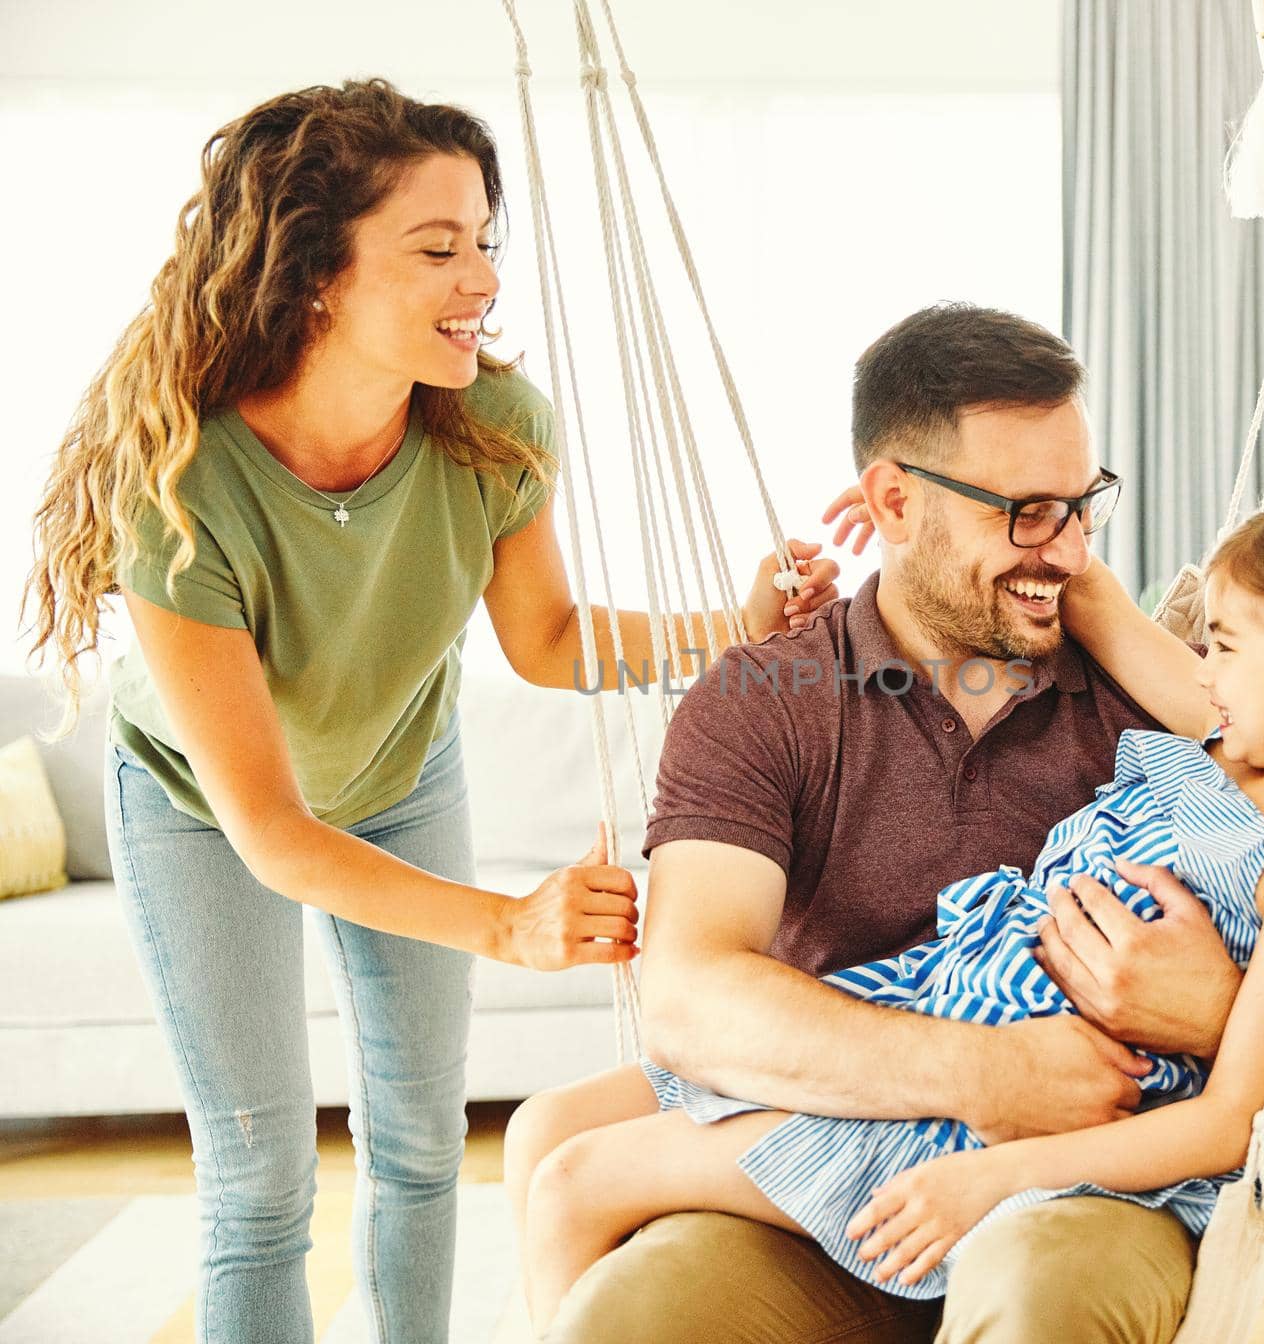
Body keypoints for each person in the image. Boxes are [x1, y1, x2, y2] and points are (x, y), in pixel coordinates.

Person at [20, 78, 838, 1344]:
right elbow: (275, 836)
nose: (483, 280)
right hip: (205, 812)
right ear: (318, 276)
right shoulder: (179, 489)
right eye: (437, 248)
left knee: (414, 1143)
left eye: (486, 244)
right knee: (257, 1184)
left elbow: (552, 642)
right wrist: (508, 927)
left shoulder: (493, 430)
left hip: (403, 776)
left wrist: (732, 626)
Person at [506, 482, 1264, 1331]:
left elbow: (1236, 1121)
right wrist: (921, 524)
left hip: (974, 1117)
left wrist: (997, 1176)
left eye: (1223, 643)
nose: (1200, 667)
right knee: (549, 1127)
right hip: (929, 1007)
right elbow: (1095, 602)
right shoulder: (1227, 734)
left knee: (574, 1182)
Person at [505, 303, 1264, 1344]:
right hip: (826, 1172)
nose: (1069, 550)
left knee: (1038, 1293)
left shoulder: (1160, 696)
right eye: (1025, 512)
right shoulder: (765, 698)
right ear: (895, 502)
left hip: (1088, 1179)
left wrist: (1220, 1010)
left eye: (1082, 507)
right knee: (629, 1318)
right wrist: (987, 1075)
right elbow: (686, 998)